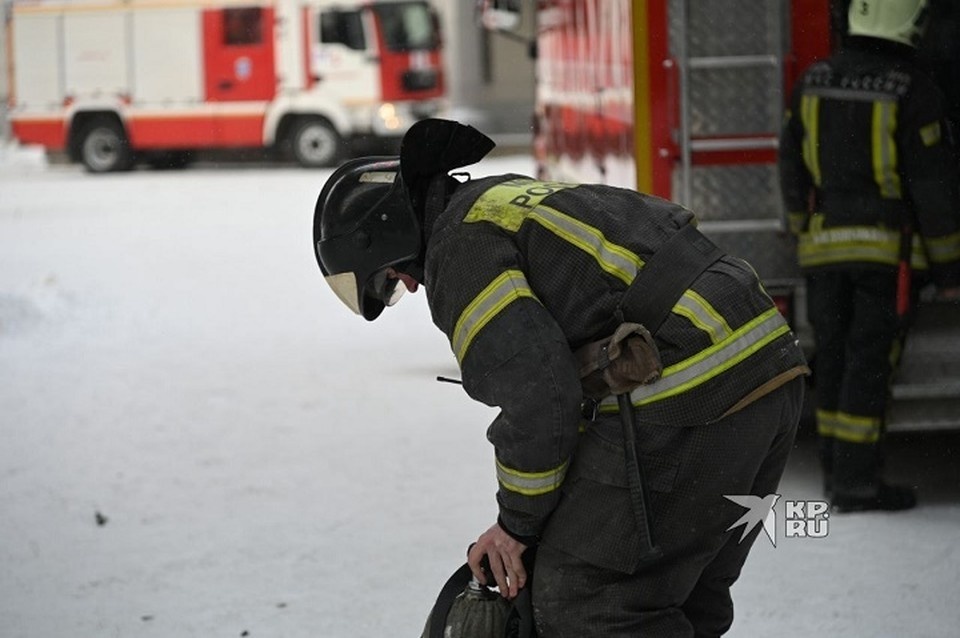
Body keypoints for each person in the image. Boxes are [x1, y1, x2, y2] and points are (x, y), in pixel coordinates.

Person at [314, 118, 808, 637]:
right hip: (766, 368)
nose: (409, 287)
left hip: (698, 387)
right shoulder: (499, 199)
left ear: (386, 234)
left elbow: (540, 398)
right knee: (679, 598)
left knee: (588, 600)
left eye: (388, 279)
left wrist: (516, 526)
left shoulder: (459, 251)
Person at [779, 0, 960, 513]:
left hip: (822, 250)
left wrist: (801, 226)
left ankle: (836, 472)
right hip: (884, 256)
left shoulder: (813, 80)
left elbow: (790, 164)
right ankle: (858, 484)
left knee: (834, 357)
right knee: (869, 364)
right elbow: (932, 187)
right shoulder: (914, 90)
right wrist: (949, 268)